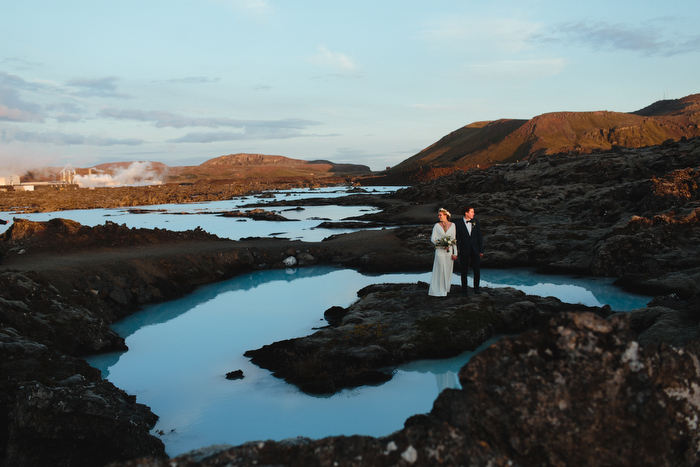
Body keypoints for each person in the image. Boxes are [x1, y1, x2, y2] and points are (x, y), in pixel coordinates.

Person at [454, 206, 484, 296]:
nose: (473, 213)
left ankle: (476, 289)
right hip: (464, 249)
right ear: (466, 213)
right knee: (463, 271)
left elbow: (480, 237)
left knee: (477, 270)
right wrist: (456, 251)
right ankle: (464, 290)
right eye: (472, 212)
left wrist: (481, 250)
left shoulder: (476, 222)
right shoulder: (458, 224)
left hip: (475, 249)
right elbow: (457, 238)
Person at [428, 208, 457, 297]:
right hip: (440, 250)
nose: (439, 217)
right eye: (439, 215)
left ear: (446, 215)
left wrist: (455, 253)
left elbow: (454, 240)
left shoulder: (453, 225)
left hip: (449, 251)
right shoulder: (437, 226)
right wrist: (441, 243)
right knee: (440, 269)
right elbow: (433, 239)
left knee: (448, 270)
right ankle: (437, 290)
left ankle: (446, 289)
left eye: (440, 215)